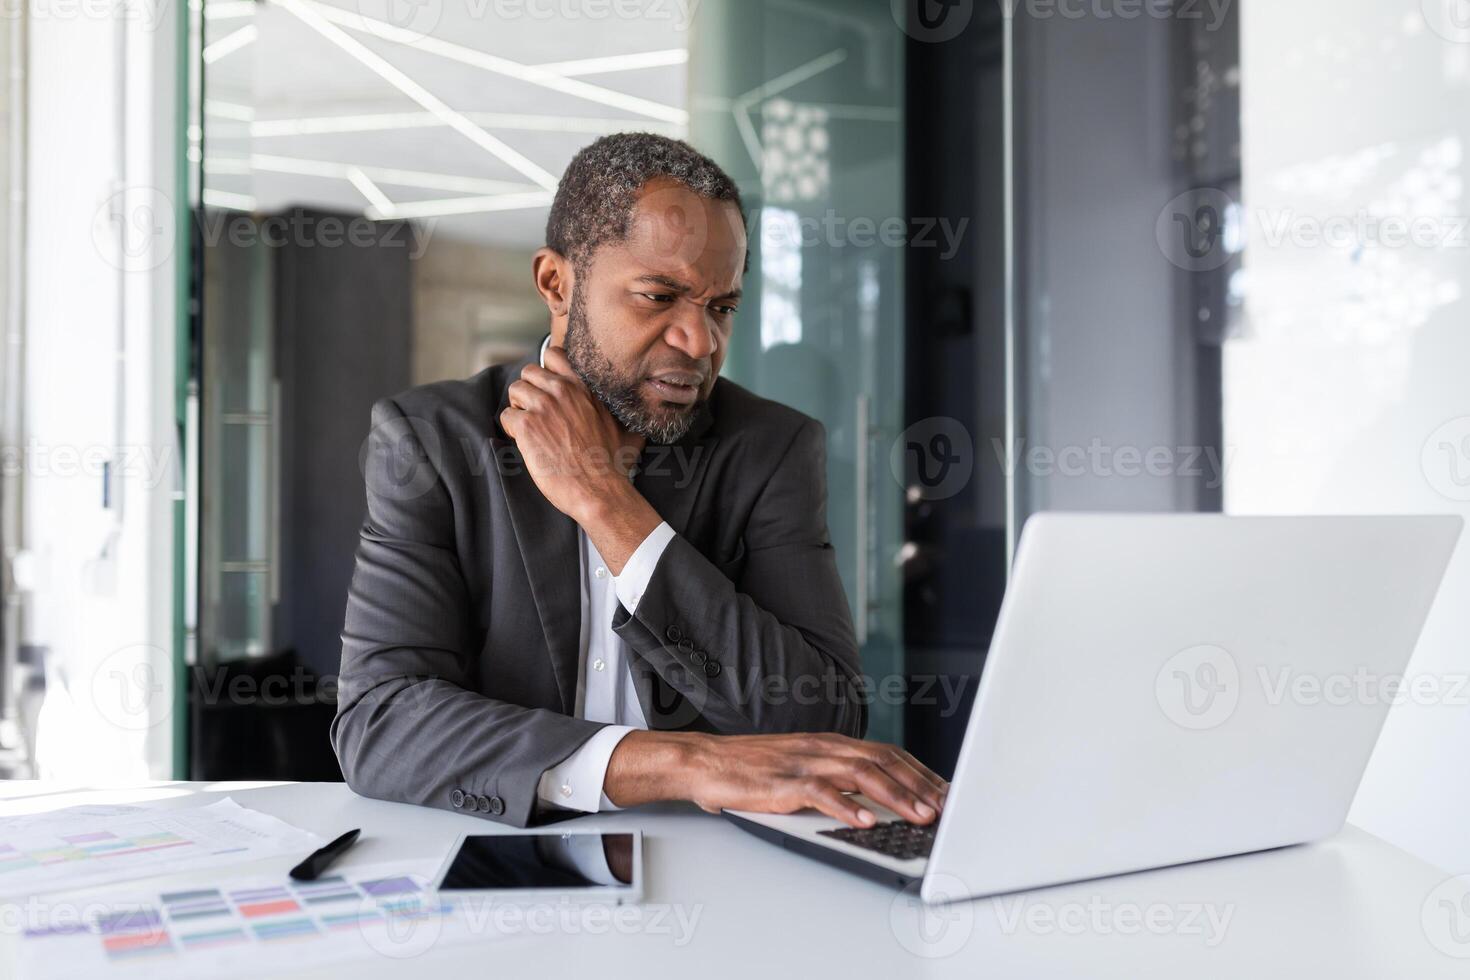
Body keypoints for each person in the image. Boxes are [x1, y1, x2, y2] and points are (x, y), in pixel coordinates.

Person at [333, 133, 947, 830]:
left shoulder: (770, 448)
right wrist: (682, 763)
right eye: (661, 296)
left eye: (721, 307)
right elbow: (381, 722)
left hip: (713, 869)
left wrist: (609, 506)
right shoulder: (433, 442)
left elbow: (818, 713)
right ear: (557, 285)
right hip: (501, 857)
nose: (702, 341)